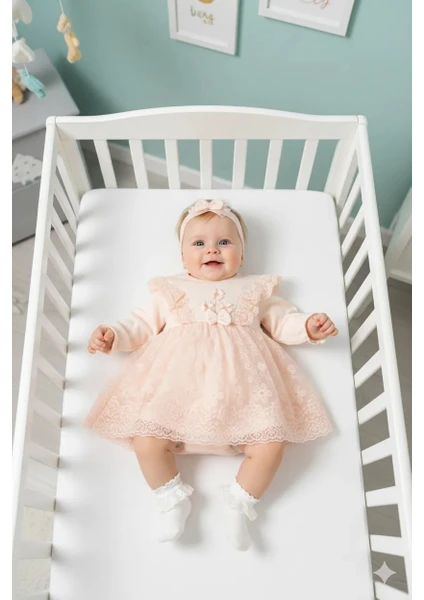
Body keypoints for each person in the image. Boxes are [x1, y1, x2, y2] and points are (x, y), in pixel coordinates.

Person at [85, 199, 337, 550]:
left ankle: (240, 505)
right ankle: (171, 500)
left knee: (271, 445)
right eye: (199, 243)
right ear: (183, 256)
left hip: (242, 397)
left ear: (242, 256)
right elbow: (139, 324)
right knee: (146, 440)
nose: (212, 250)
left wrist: (308, 326)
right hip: (177, 397)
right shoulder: (170, 290)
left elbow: (283, 322)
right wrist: (114, 335)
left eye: (225, 242)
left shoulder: (254, 289)